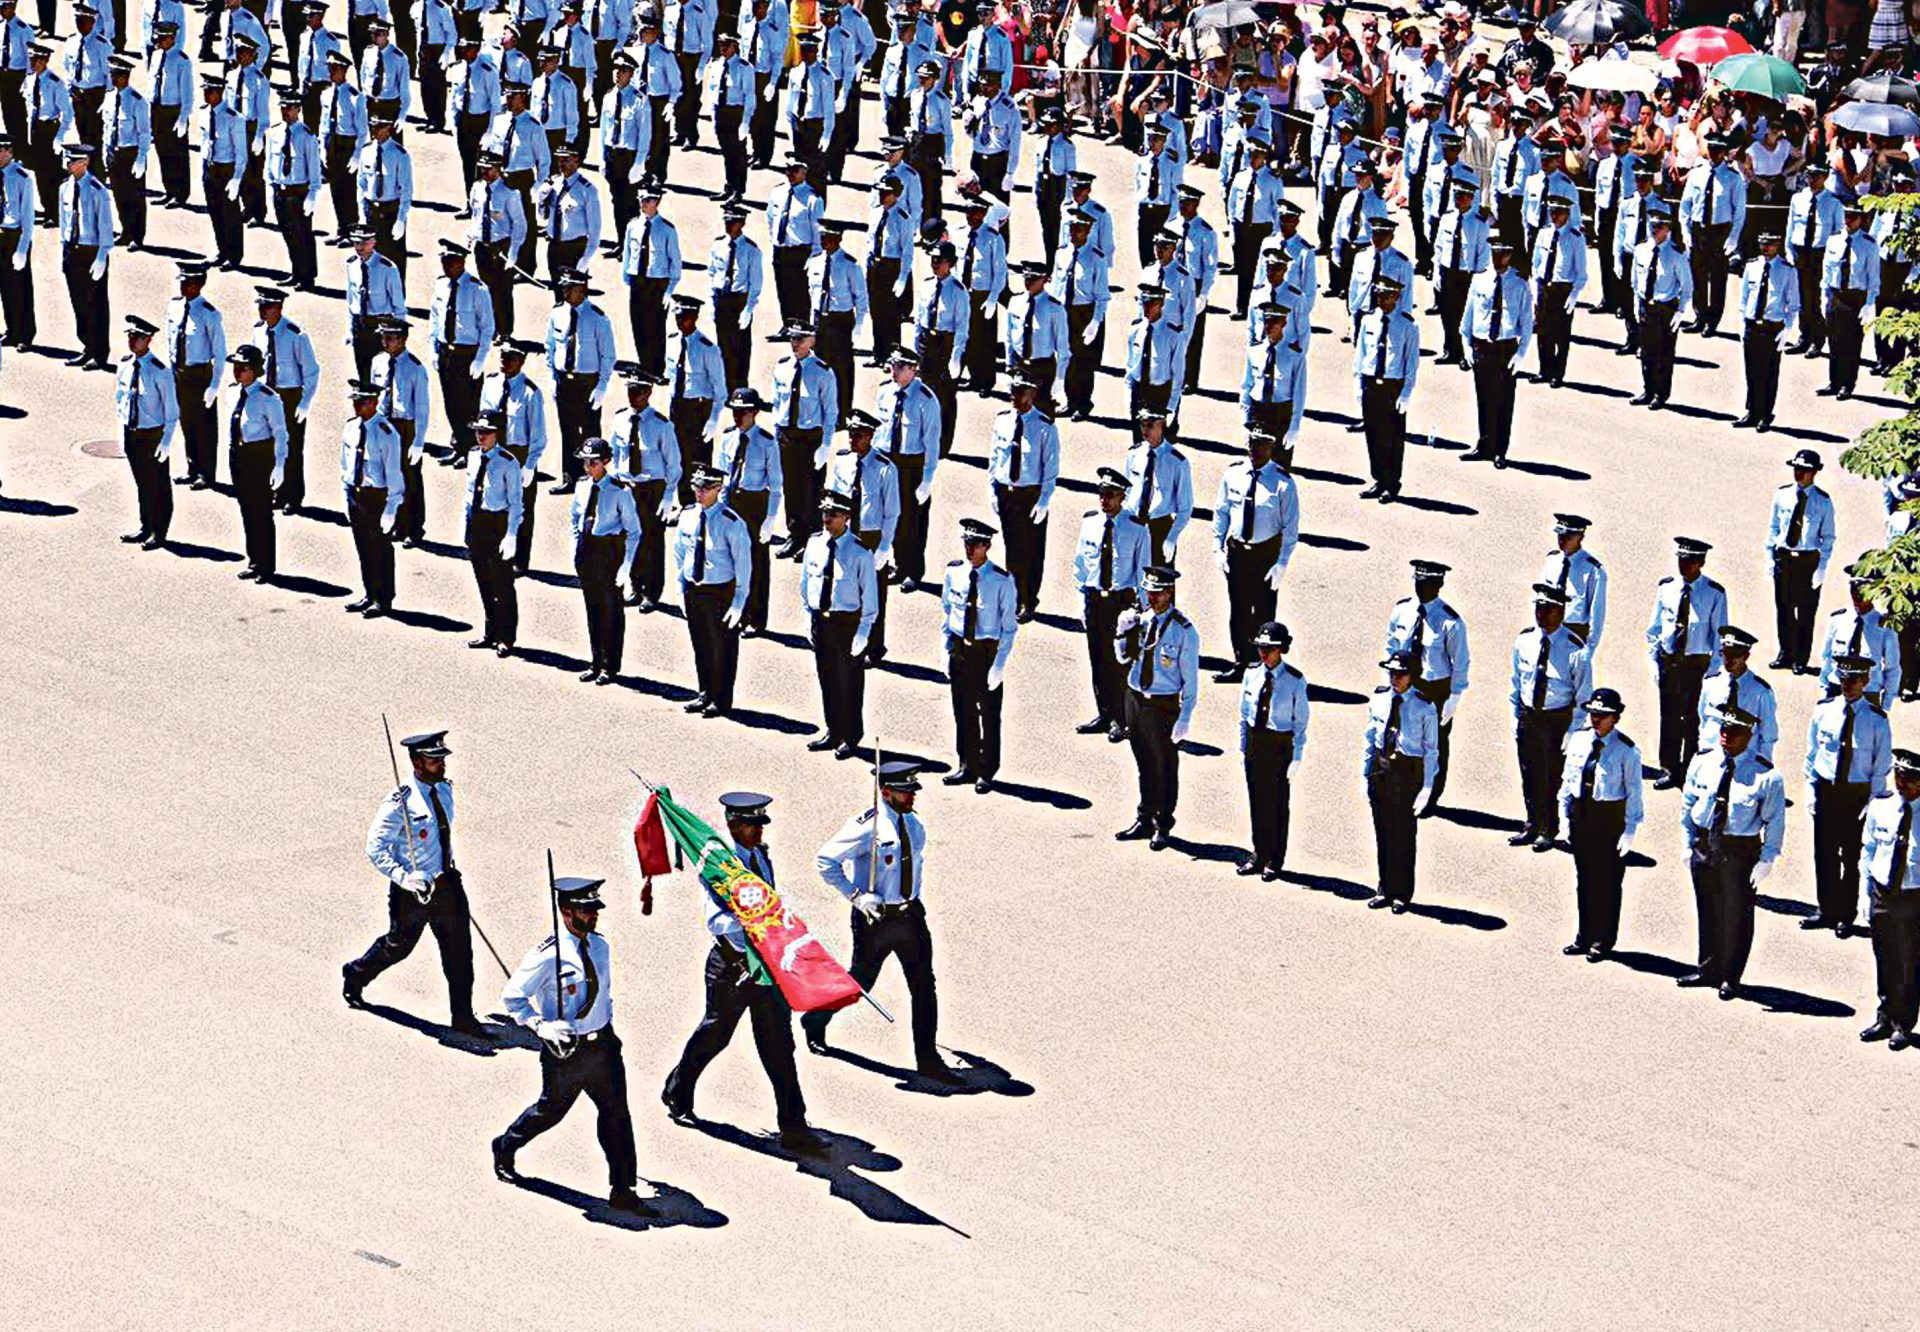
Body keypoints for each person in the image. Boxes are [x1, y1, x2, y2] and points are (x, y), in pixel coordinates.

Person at [662, 791, 825, 1152]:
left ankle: (794, 1127)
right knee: (716, 1034)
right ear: (733, 825)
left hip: (766, 967)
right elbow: (717, 921)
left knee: (779, 1046)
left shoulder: (759, 856)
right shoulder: (721, 868)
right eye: (752, 825)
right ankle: (677, 1091)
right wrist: (753, 921)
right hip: (731, 967)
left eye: (760, 824)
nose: (759, 831)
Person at [494, 874, 646, 1215]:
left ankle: (624, 1189)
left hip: (604, 1047)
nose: (593, 916)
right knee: (550, 1112)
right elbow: (514, 996)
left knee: (617, 1116)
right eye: (585, 911)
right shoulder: (548, 955)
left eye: (594, 910)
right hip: (567, 1052)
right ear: (566, 912)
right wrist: (540, 1026)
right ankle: (505, 1146)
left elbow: (603, 993)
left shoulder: (601, 946)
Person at [801, 761, 960, 1085]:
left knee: (923, 986)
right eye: (905, 792)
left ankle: (927, 1059)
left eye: (913, 790)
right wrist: (857, 896)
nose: (912, 796)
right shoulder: (868, 826)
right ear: (886, 792)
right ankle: (816, 1019)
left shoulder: (913, 824)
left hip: (910, 915)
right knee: (860, 982)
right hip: (876, 919)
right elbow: (825, 860)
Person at [344, 729, 485, 1036]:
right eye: (434, 761)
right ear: (417, 763)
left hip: (446, 884)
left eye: (442, 759)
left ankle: (463, 1017)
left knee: (460, 952)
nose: (442, 765)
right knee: (399, 947)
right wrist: (405, 877)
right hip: (413, 891)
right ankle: (355, 974)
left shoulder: (445, 790)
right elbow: (375, 848)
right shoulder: (400, 801)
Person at [1678, 705, 1787, 1002]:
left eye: (1735, 732)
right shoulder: (1702, 762)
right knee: (1708, 908)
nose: (1727, 737)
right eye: (1724, 730)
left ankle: (1731, 976)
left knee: (1736, 915)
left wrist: (1767, 859)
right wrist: (1687, 842)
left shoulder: (1765, 775)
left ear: (1749, 735)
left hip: (1739, 850)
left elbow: (1774, 821)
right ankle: (1708, 969)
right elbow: (1689, 804)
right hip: (1704, 844)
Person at [1804, 654, 1893, 937]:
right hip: (1827, 790)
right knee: (1824, 853)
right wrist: (1810, 788)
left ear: (1866, 682)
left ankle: (1845, 914)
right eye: (1843, 679)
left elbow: (1880, 766)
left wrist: (1874, 803)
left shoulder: (1877, 721)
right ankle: (1826, 909)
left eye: (1853, 680)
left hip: (1856, 795)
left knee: (1851, 856)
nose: (1847, 685)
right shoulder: (1824, 710)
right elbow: (1813, 755)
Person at [1114, 564, 1199, 850]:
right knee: (1143, 763)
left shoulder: (1184, 630)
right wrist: (1120, 632)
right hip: (1135, 698)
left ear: (1170, 592)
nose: (1151, 597)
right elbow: (1123, 659)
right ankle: (1144, 816)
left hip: (1163, 705)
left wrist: (1185, 717)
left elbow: (1191, 681)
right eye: (1148, 591)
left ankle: (1163, 823)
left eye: (1157, 593)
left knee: (1164, 766)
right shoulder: (1141, 620)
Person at [1557, 687, 1643, 962]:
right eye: (1593, 713)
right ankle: (1584, 935)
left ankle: (1602, 940)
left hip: (1609, 819)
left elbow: (1633, 792)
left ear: (1615, 718)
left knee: (1606, 882)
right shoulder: (1580, 741)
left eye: (1603, 715)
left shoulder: (1626, 751)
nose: (1596, 719)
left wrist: (1630, 830)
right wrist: (1565, 818)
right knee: (1585, 880)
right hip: (1582, 814)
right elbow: (1568, 782)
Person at [1509, 583, 1594, 853]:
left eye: (1548, 609)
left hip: (1555, 720)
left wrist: (1574, 731)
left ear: (1561, 612)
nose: (1541, 614)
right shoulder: (1524, 640)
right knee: (1528, 772)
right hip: (1528, 715)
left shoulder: (1574, 650)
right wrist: (1515, 715)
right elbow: (1516, 681)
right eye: (1538, 608)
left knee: (1550, 776)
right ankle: (1531, 822)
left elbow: (1583, 696)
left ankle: (1549, 828)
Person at [1210, 429, 1298, 681]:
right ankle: (1240, 662)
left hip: (1265, 554)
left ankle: (1262, 666)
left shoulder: (1283, 483)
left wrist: (1282, 562)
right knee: (1238, 610)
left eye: (1261, 444)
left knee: (1262, 612)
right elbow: (1222, 512)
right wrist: (1218, 547)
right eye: (1251, 443)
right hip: (1238, 552)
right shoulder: (1233, 474)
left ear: (1271, 448)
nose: (1255, 449)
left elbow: (1290, 527)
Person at [1384, 559, 1470, 812]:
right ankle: (1402, 786)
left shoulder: (1449, 622)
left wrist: (1455, 696)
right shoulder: (1402, 610)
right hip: (1404, 681)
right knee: (1400, 732)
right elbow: (1391, 645)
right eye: (1419, 583)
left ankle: (1431, 793)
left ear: (1439, 585)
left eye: (1429, 584)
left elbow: (1460, 661)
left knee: (1433, 743)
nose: (1422, 589)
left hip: (1435, 688)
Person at [940, 516, 1018, 792]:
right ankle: (966, 764)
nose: (969, 549)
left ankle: (987, 769)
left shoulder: (1001, 581)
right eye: (966, 543)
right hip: (961, 649)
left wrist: (998, 665)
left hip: (986, 652)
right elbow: (948, 612)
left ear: (987, 546)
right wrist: (945, 648)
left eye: (974, 544)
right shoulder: (954, 573)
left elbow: (1009, 628)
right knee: (962, 710)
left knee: (988, 712)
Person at [1647, 537, 1730, 788]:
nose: (1684, 565)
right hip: (1670, 662)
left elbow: (1719, 635)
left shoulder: (1714, 593)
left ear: (1701, 562)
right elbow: (1655, 628)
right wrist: (1654, 662)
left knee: (1694, 719)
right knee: (1669, 717)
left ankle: (1691, 767)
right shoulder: (1667, 588)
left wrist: (1713, 672)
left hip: (1696, 664)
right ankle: (1669, 768)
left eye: (1690, 561)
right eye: (1681, 560)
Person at [800, 490, 878, 759]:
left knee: (850, 681)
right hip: (821, 621)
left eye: (832, 515)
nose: (826, 519)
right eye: (824, 513)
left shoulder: (860, 552)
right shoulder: (814, 543)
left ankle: (851, 735)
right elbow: (806, 582)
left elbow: (870, 597)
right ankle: (833, 730)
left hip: (847, 624)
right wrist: (808, 615)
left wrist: (864, 632)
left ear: (847, 517)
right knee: (827, 678)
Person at [1073, 468, 1148, 742]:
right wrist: (1083, 599)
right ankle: (1104, 713)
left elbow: (1142, 570)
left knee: (1119, 663)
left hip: (1121, 603)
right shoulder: (1090, 523)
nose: (1104, 501)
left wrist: (1142, 611)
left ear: (1122, 497)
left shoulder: (1137, 528)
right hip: (1095, 599)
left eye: (1110, 495)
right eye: (1101, 494)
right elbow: (1081, 563)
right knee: (1098, 660)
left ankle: (1121, 718)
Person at [1362, 650, 1439, 913]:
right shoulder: (1380, 698)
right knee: (1382, 832)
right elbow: (1370, 737)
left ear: (1412, 675)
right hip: (1381, 769)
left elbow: (1431, 750)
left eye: (1401, 673)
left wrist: (1427, 787)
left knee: (1403, 835)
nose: (1395, 678)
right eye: (1392, 673)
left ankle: (1402, 893)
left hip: (1407, 773)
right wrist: (1365, 774)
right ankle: (1384, 887)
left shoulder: (1424, 706)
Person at [674, 462, 751, 717]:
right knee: (701, 645)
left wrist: (739, 602)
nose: (700, 492)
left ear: (719, 488)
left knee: (723, 648)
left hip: (720, 592)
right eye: (697, 486)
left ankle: (721, 698)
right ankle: (705, 691)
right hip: (694, 590)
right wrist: (680, 589)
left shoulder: (731, 522)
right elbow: (679, 554)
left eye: (706, 488)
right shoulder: (687, 515)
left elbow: (743, 567)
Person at [1859, 749, 1920, 1050]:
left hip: (1913, 897)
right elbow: (1868, 850)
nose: (1902, 783)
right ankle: (1885, 1016)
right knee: (1884, 956)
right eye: (1899, 775)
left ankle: (1903, 1025)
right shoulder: (1881, 807)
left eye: (1910, 778)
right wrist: (1864, 893)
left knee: (1908, 961)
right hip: (1882, 891)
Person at [1239, 620, 1308, 882]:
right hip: (1257, 742)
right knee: (1257, 800)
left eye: (1269, 648)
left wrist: (1297, 756)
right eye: (1261, 647)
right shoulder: (1251, 673)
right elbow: (1244, 714)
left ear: (1281, 650)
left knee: (1277, 804)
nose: (1263, 653)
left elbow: (1300, 723)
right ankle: (1259, 853)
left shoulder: (1295, 681)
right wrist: (1244, 746)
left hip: (1279, 745)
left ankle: (1274, 859)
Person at [987, 374, 1060, 620]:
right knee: (1012, 549)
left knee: (1031, 550)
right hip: (1008, 494)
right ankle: (1014, 598)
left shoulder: (1044, 426)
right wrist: (993, 490)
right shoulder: (1002, 421)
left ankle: (1029, 600)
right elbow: (994, 459)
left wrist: (1044, 500)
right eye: (1013, 391)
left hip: (1031, 496)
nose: (1015, 397)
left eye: (1021, 392)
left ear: (1032, 394)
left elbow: (1050, 468)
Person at [607, 368, 679, 609]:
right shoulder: (619, 419)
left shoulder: (661, 425)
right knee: (630, 537)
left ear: (649, 392)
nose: (633, 395)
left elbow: (673, 463)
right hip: (627, 487)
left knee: (652, 541)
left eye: (638, 391)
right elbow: (616, 455)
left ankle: (651, 592)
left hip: (652, 489)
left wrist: (669, 495)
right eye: (630, 390)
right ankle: (635, 586)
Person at [569, 436, 639, 684]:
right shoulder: (581, 485)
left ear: (606, 461)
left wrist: (626, 566)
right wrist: (574, 549)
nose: (589, 467)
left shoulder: (620, 491)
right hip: (587, 550)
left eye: (594, 462)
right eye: (586, 462)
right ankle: (595, 661)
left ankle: (610, 665)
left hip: (608, 552)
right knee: (593, 609)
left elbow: (634, 532)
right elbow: (575, 518)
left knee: (611, 611)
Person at [873, 347, 940, 591]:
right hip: (887, 460)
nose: (894, 370)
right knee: (890, 516)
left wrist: (927, 479)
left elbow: (932, 443)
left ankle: (913, 570)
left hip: (912, 466)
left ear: (913, 369)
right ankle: (899, 564)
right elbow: (878, 429)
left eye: (900, 367)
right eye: (893, 365)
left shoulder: (926, 399)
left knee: (912, 522)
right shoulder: (885, 391)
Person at [1459, 239, 1530, 467]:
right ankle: (1484, 444)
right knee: (1484, 398)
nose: (1499, 259)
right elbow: (1468, 316)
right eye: (1495, 253)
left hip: (1504, 348)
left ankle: (1500, 450)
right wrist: (1467, 347)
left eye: (1504, 255)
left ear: (1510, 256)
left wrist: (1520, 354)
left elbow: (1527, 324)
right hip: (1483, 346)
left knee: (1503, 400)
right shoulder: (1479, 279)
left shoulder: (1519, 284)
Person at [544, 268, 616, 493]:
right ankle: (570, 477)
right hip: (565, 380)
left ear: (581, 290)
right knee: (567, 430)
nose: (565, 292)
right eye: (563, 288)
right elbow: (550, 347)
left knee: (589, 432)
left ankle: (593, 479)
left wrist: (602, 385)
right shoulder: (557, 313)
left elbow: (608, 355)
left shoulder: (597, 317)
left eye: (569, 288)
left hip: (588, 382)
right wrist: (552, 377)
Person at [222, 343, 289, 580]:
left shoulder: (268, 398)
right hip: (238, 455)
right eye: (236, 366)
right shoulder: (232, 391)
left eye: (244, 368)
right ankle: (254, 560)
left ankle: (266, 566)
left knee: (261, 512)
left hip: (258, 457)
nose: (238, 372)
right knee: (246, 510)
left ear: (255, 370)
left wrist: (279, 465)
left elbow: (281, 433)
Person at [1767, 449, 1836, 674]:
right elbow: (1774, 527)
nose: (1799, 473)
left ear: (1814, 472)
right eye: (1797, 469)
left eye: (1804, 470)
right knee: (1784, 608)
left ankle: (1800, 658)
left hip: (1808, 561)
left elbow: (1828, 537)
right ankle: (1785, 652)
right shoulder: (1782, 495)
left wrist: (1822, 567)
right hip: (1785, 558)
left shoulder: (1823, 502)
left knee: (1805, 612)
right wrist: (1769, 555)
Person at [1351, 274, 1419, 499]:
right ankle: (1378, 479)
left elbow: (1411, 364)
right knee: (1373, 434)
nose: (1381, 300)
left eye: (1386, 296)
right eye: (1378, 295)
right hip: (1372, 384)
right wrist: (1359, 387)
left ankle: (1392, 482)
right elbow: (1360, 356)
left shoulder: (1408, 326)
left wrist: (1406, 393)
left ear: (1397, 297)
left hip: (1393, 387)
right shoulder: (1369, 321)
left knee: (1392, 437)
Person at [114, 314, 178, 550]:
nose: (132, 341)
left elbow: (172, 411)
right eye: (130, 336)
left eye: (137, 337)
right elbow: (120, 399)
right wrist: (122, 431)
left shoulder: (160, 371)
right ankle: (145, 526)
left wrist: (166, 442)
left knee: (158, 484)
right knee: (142, 483)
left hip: (152, 435)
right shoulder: (124, 364)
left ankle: (159, 532)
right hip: (132, 432)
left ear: (148, 339)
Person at [463, 415, 523, 655]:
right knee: (484, 581)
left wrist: (511, 535)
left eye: (486, 431)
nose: (481, 436)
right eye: (478, 431)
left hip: (497, 523)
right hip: (477, 522)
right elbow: (468, 495)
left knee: (502, 584)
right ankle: (490, 631)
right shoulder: (473, 455)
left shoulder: (508, 462)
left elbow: (517, 504)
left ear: (497, 434)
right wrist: (466, 527)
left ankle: (506, 637)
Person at [429, 240, 493, 467]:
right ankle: (458, 447)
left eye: (450, 263)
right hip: (447, 352)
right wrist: (434, 350)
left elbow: (487, 328)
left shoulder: (477, 289)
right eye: (444, 262)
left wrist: (480, 359)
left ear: (461, 263)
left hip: (468, 354)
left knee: (469, 406)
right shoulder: (440, 285)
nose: (446, 267)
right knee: (451, 403)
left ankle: (471, 451)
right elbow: (435, 319)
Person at [369, 318, 429, 544]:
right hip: (384, 424)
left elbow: (422, 407)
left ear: (403, 340)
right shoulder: (377, 362)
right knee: (387, 476)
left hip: (405, 427)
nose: (385, 342)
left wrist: (419, 441)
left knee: (409, 479)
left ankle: (413, 528)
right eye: (383, 337)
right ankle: (393, 522)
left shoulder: (414, 368)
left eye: (391, 338)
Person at [165, 262, 224, 488]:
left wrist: (214, 386)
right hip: (179, 374)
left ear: (198, 285)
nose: (183, 287)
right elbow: (172, 342)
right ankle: (193, 467)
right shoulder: (174, 306)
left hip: (200, 375)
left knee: (204, 428)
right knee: (187, 423)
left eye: (188, 283)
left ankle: (206, 473)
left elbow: (219, 353)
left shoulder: (210, 314)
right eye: (182, 282)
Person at [1629, 204, 1692, 409]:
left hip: (1666, 308)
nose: (1654, 229)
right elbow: (1635, 282)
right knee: (1646, 352)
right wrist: (1637, 306)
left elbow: (1687, 286)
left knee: (1664, 354)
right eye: (1653, 225)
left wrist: (1681, 311)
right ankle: (1648, 390)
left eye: (1659, 226)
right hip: (1646, 306)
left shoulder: (1676, 255)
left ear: (1668, 229)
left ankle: (1661, 394)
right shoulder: (1641, 250)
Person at [1736, 232, 1799, 430]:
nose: (1765, 247)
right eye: (1762, 243)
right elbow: (1744, 297)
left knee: (1769, 373)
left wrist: (1787, 329)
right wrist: (1742, 323)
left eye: (1769, 244)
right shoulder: (1752, 266)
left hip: (1772, 327)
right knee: (1752, 371)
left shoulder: (1787, 270)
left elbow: (1793, 304)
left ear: (1778, 245)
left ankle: (1765, 414)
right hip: (1752, 325)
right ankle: (1752, 411)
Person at [57, 142, 112, 370]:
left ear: (85, 162)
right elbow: (64, 221)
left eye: (72, 161)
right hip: (73, 250)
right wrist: (64, 250)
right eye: (67, 160)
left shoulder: (97, 190)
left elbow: (106, 227)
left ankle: (99, 353)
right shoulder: (65, 188)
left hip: (92, 251)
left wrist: (101, 256)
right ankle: (87, 346)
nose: (68, 164)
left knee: (96, 304)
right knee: (78, 303)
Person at [1819, 202, 1879, 401]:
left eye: (1853, 217)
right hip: (1836, 295)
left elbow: (1873, 278)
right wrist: (1824, 298)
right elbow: (1827, 272)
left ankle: (1847, 384)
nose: (1848, 220)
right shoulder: (1834, 240)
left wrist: (1870, 304)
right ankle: (1834, 381)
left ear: (1861, 220)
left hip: (1855, 298)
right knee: (1834, 341)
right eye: (1846, 216)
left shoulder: (1868, 244)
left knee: (1851, 344)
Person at [1699, 627, 1781, 765]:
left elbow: (1768, 735)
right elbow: (1704, 720)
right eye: (1725, 653)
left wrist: (1761, 766)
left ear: (1746, 656)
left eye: (1734, 654)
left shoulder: (1761, 692)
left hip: (1744, 759)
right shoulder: (1710, 684)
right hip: (1713, 758)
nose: (1728, 660)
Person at [1819, 568, 1901, 706]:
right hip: (1837, 690)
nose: (1857, 596)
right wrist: (1824, 692)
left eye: (1863, 592)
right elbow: (1827, 658)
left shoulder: (1885, 627)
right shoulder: (1838, 620)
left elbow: (1892, 669)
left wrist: (1885, 704)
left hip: (1868, 694)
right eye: (1853, 590)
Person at [708, 202, 762, 388]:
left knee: (740, 347)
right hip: (722, 299)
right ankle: (724, 385)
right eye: (726, 221)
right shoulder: (718, 245)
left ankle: (739, 386)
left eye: (733, 221)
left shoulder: (751, 250)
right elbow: (712, 272)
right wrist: (711, 301)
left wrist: (748, 308)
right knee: (722, 345)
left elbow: (756, 283)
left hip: (739, 301)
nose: (728, 225)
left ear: (742, 223)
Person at [1537, 513, 1606, 648]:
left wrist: (1588, 650)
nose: (1562, 541)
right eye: (1560, 536)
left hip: (1574, 633)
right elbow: (1541, 598)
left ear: (1580, 537)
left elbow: (1596, 616)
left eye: (1568, 537)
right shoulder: (1552, 560)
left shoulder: (1593, 570)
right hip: (1548, 629)